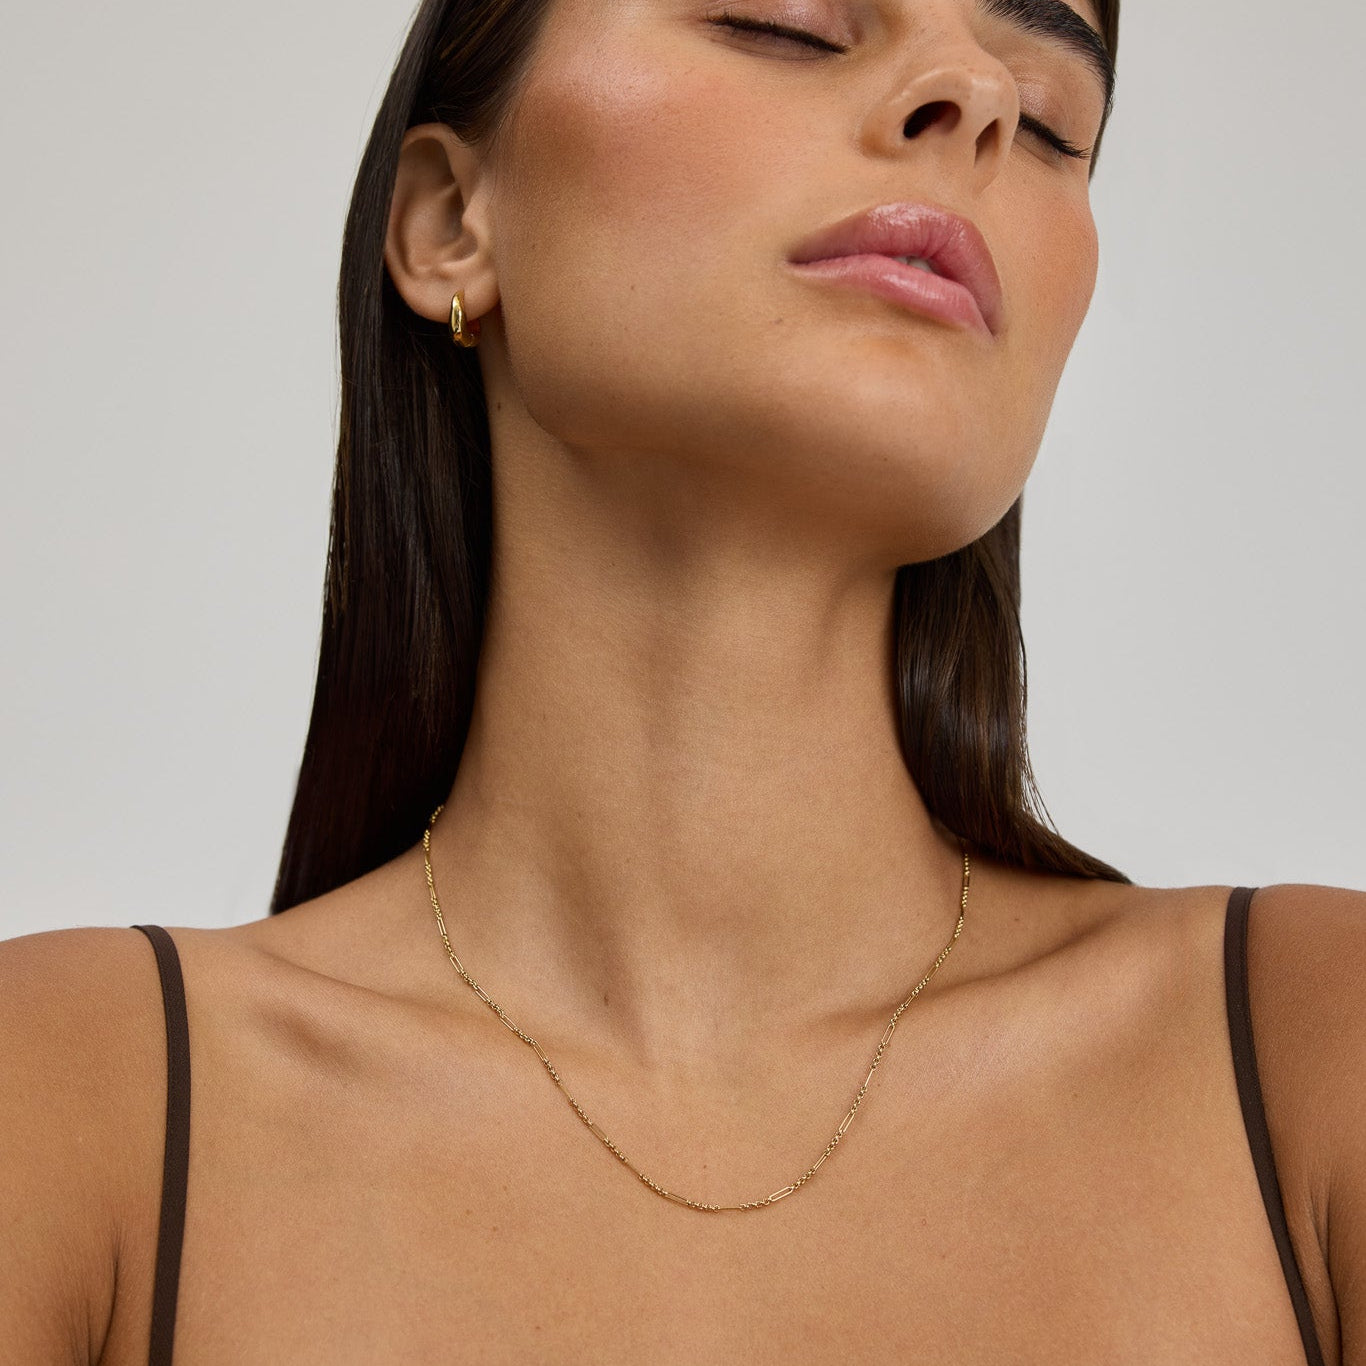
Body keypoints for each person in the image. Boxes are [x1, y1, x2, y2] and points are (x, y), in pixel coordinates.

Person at [2, 0, 1362, 1361]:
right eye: (787, 23)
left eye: (1053, 115)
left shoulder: (1314, 1052)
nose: (971, 95)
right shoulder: (69, 1102)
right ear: (447, 222)